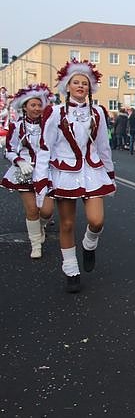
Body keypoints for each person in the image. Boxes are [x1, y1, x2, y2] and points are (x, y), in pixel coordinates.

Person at [32, 60, 115, 293]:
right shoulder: (55, 113)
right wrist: (42, 181)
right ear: (67, 86)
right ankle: (71, 269)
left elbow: (102, 146)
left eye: (84, 83)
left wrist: (109, 173)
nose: (80, 86)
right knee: (67, 224)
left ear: (90, 88)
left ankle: (89, 244)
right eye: (76, 83)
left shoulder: (97, 112)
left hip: (92, 171)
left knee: (96, 220)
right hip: (64, 173)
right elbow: (45, 147)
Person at [1, 84, 56, 258]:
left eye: (40, 105)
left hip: (46, 171)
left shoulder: (50, 125)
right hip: (25, 171)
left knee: (46, 211)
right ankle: (35, 245)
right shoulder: (17, 126)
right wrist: (19, 160)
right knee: (32, 209)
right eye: (33, 105)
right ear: (25, 106)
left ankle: (41, 226)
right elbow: (8, 150)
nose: (37, 108)